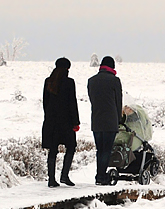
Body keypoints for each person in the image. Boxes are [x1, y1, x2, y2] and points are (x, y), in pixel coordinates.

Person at [42, 57, 80, 188]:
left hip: (51, 122)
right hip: (66, 122)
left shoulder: (48, 81)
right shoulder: (69, 82)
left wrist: (48, 118)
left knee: (52, 150)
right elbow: (72, 103)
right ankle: (64, 176)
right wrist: (76, 121)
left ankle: (51, 179)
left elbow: (45, 103)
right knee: (71, 147)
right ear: (68, 68)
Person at [87, 56, 122, 185]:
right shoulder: (115, 81)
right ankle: (101, 177)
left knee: (99, 150)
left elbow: (92, 100)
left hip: (96, 119)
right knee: (106, 150)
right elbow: (118, 102)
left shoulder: (91, 81)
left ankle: (99, 175)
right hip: (110, 120)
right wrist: (119, 119)